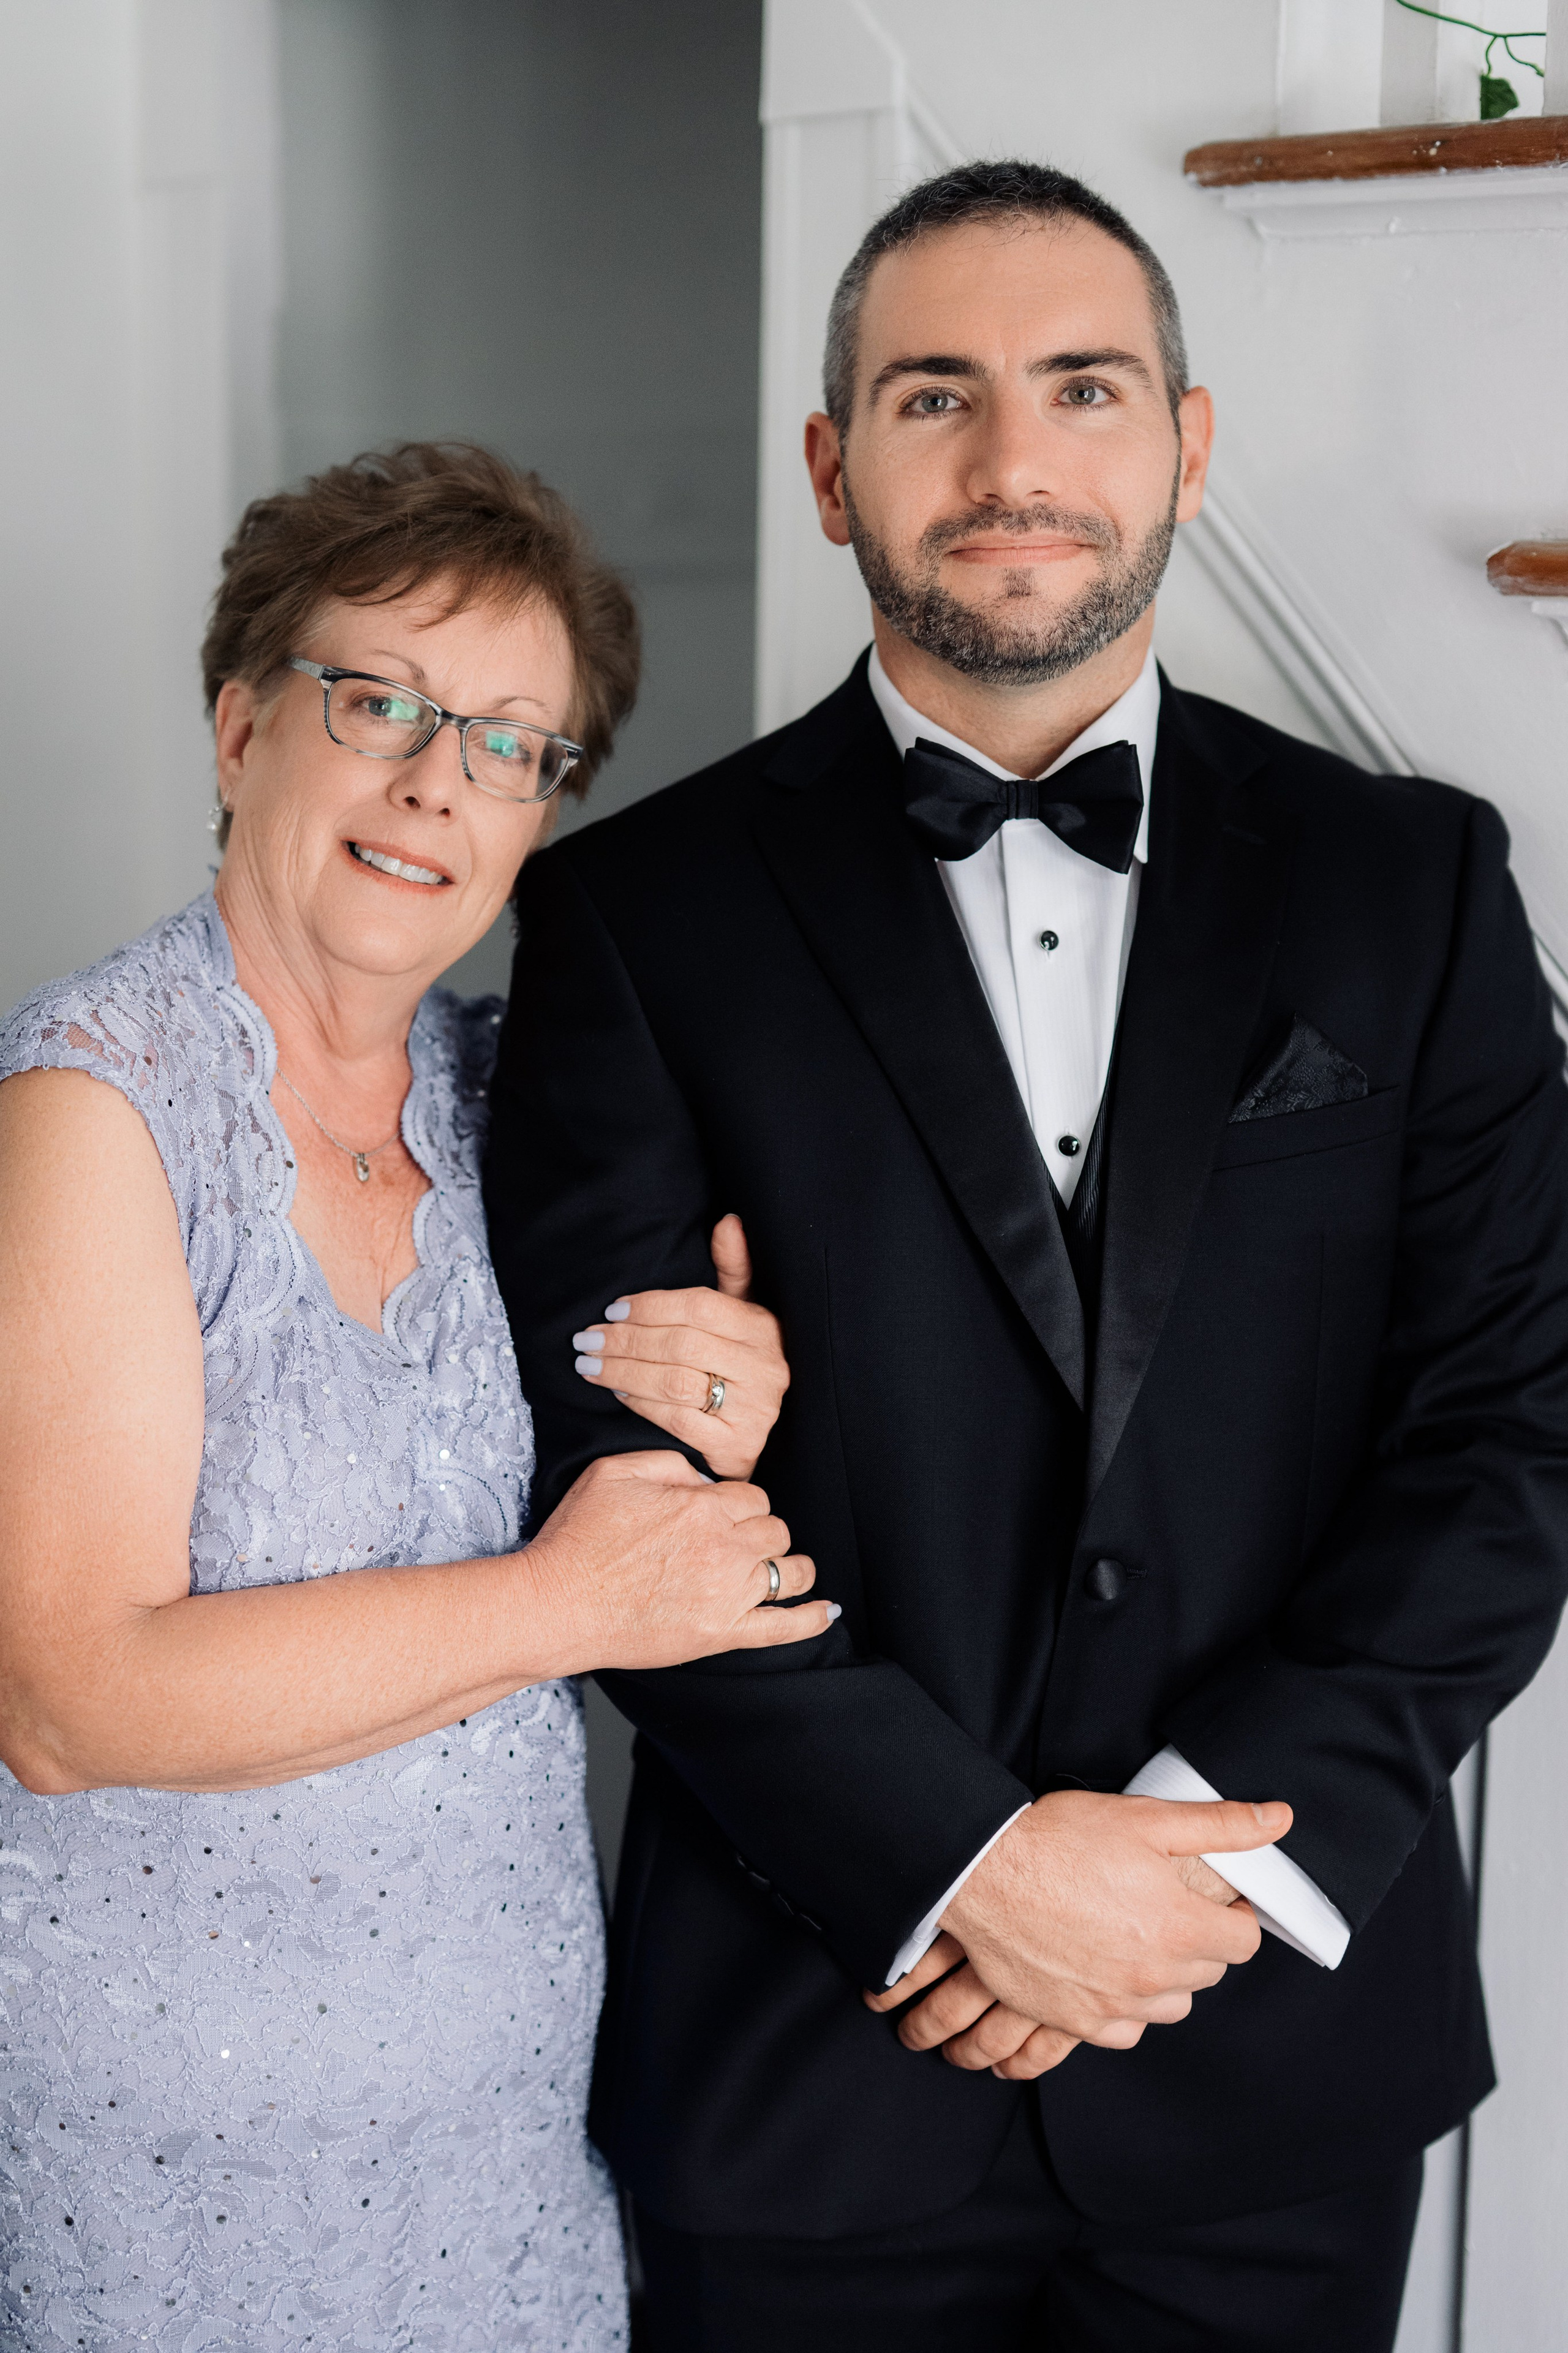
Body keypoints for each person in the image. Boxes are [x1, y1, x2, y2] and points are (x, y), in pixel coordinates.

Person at [483, 163, 1568, 2352]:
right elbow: (616, 1497)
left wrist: (1180, 1864)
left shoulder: (1416, 883)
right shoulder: (630, 917)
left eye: (1081, 389)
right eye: (932, 396)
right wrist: (975, 1869)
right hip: (816, 2052)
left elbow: (1511, 1431)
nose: (1010, 465)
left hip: (1269, 2060)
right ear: (831, 467)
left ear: (1185, 437)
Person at [0, 441, 834, 2353]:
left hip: (508, 2153)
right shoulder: (89, 1108)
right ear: (238, 726)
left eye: (512, 744)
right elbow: (64, 1696)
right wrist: (569, 1604)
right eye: (375, 701)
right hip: (164, 2178)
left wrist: (719, 1380)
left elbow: (643, 1449)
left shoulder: (514, 1102)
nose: (436, 781)